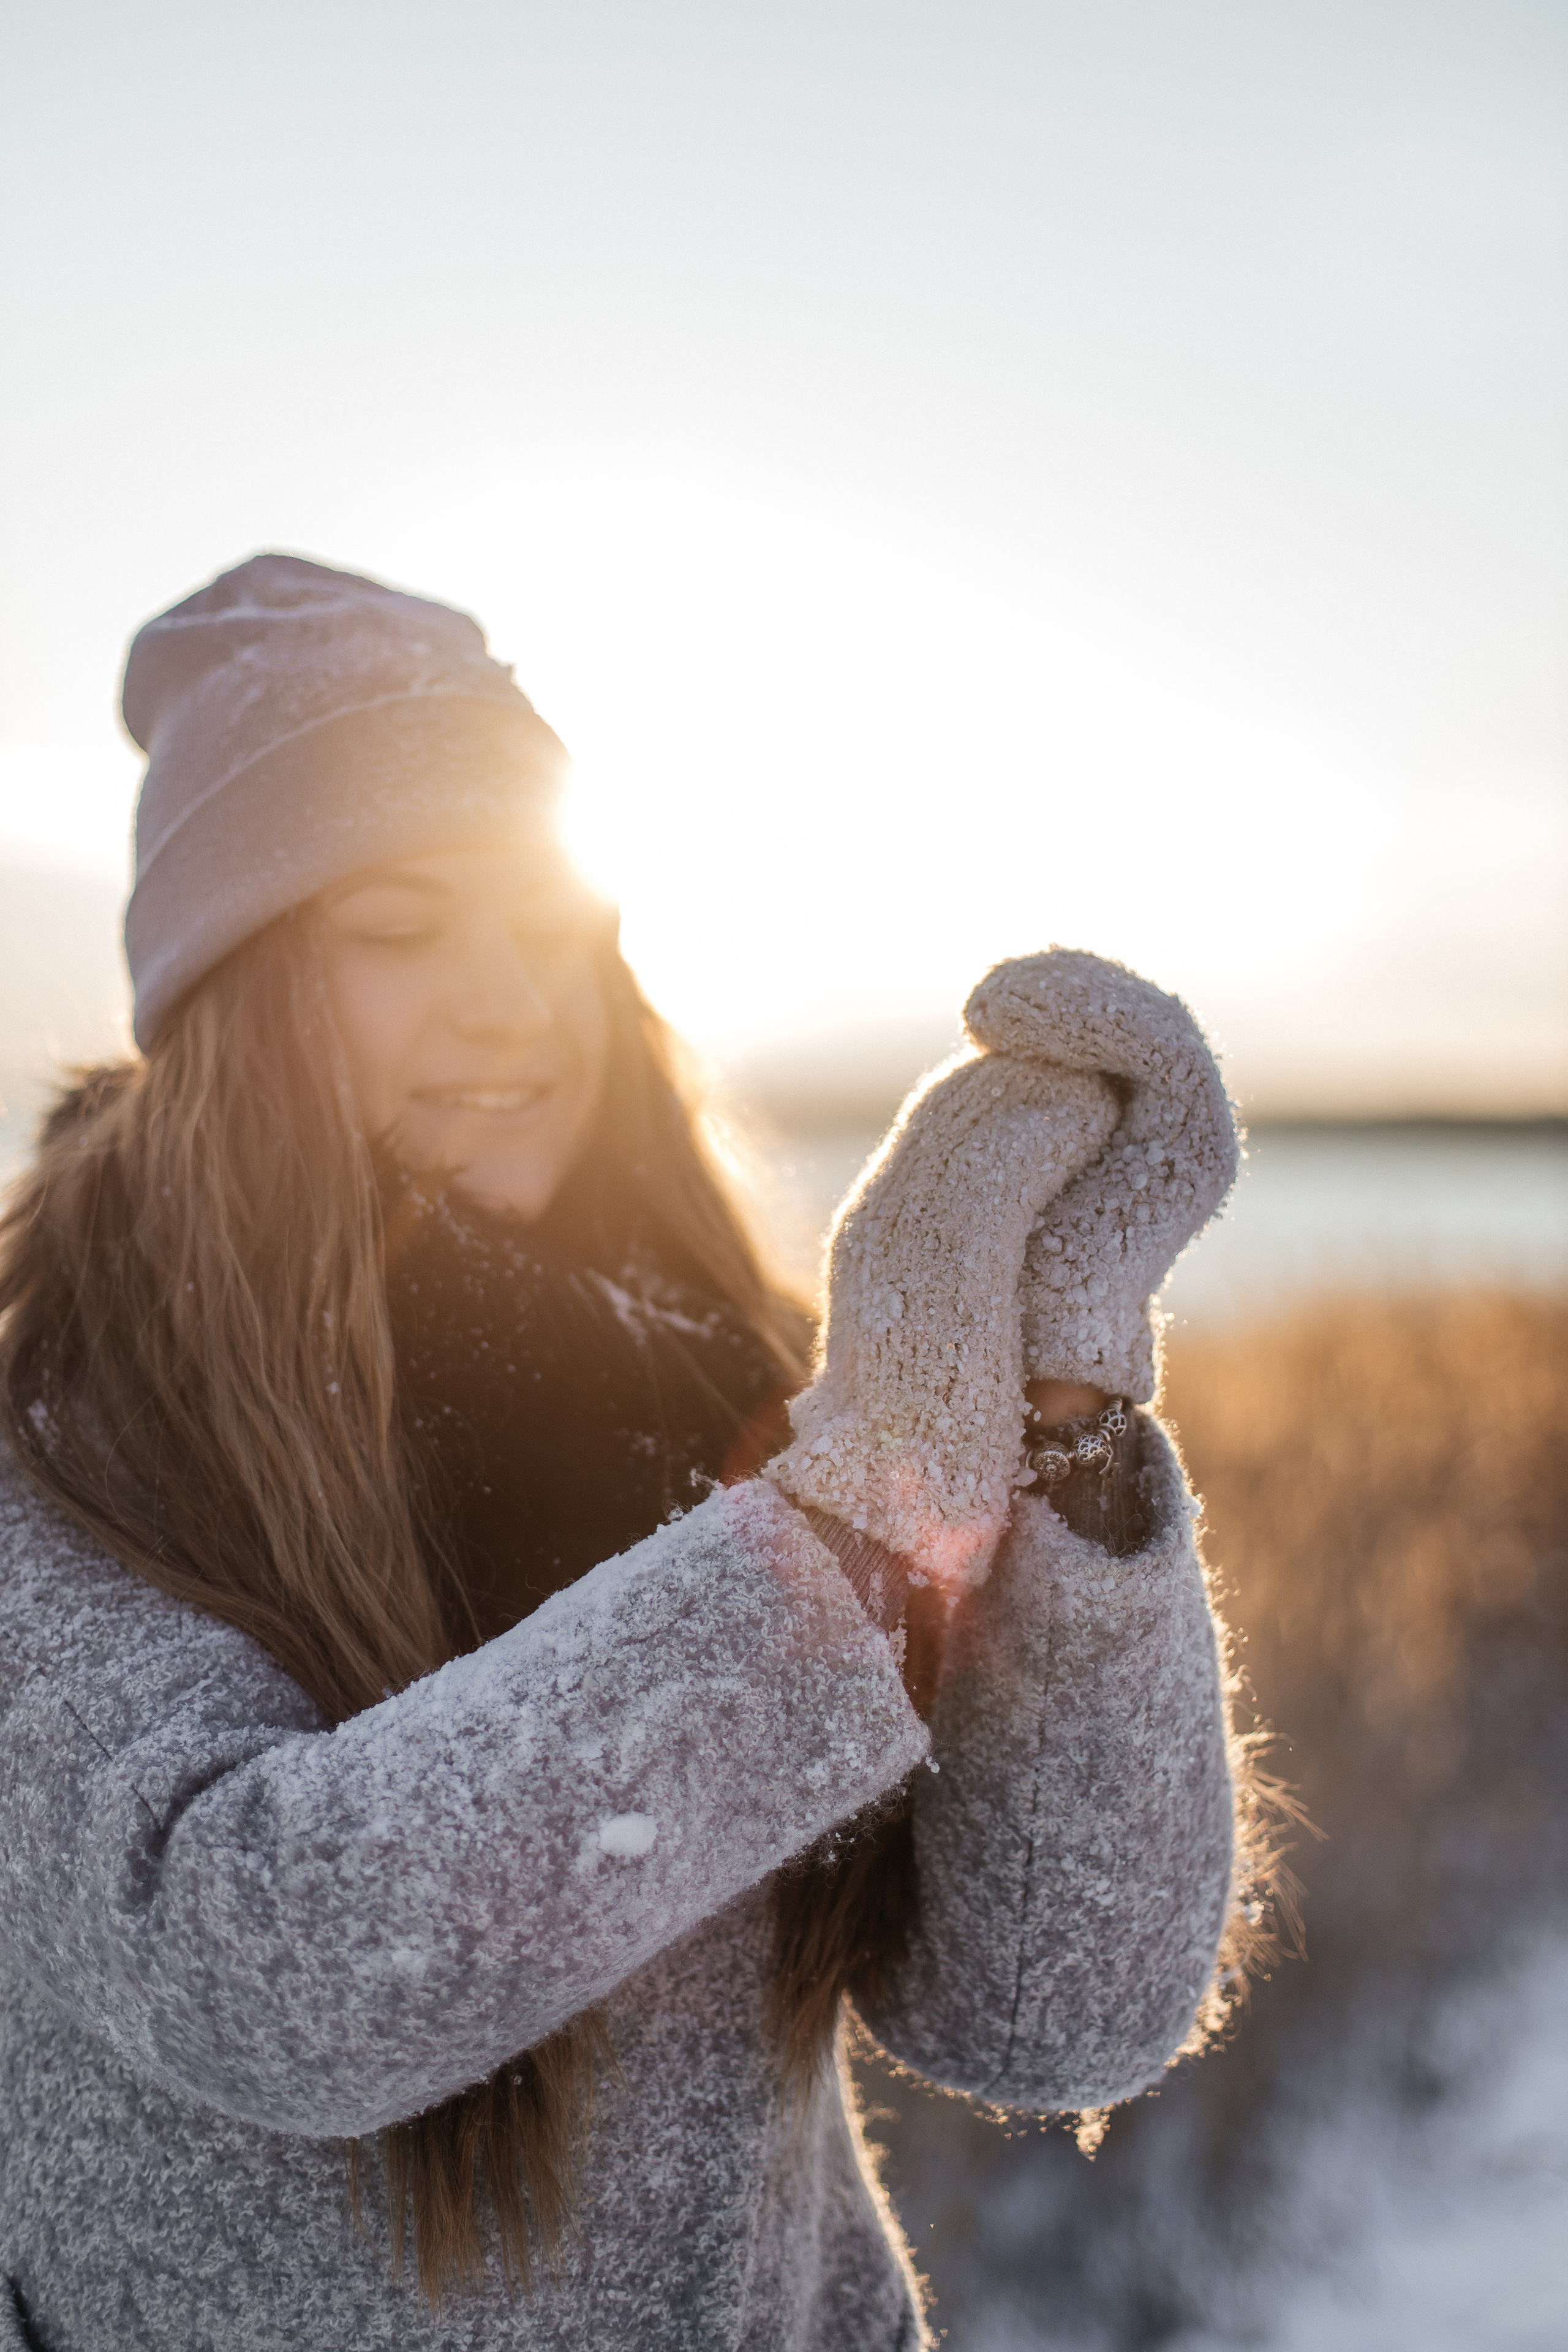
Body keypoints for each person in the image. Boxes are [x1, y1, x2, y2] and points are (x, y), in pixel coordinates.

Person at [0, 554, 1246, 2351]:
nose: (511, 1005)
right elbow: (266, 1967)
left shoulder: (716, 1396)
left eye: (548, 925)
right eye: (400, 929)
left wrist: (1053, 1411)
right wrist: (848, 1523)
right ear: (235, 992)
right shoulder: (68, 1446)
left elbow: (1054, 2011)